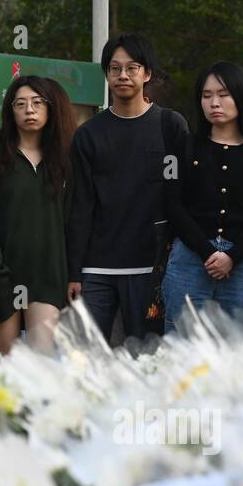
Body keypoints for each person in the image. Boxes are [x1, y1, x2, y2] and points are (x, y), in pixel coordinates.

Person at [66, 35, 188, 342]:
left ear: (147, 74)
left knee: (148, 360)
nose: (122, 75)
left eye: (132, 68)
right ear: (106, 75)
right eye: (114, 68)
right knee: (87, 359)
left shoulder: (170, 126)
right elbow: (80, 205)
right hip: (96, 270)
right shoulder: (88, 135)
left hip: (153, 267)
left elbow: (183, 196)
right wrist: (73, 272)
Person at [0, 76, 75, 353]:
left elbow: (75, 220)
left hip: (49, 278)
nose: (29, 110)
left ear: (52, 108)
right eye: (21, 104)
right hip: (2, 280)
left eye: (38, 103)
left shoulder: (65, 160)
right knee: (5, 371)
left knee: (41, 368)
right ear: (10, 110)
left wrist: (72, 274)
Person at [162, 61, 243, 332]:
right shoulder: (180, 147)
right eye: (206, 95)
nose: (214, 102)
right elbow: (171, 203)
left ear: (241, 97)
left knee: (235, 350)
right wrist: (208, 251)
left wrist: (232, 256)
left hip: (241, 263)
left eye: (223, 94)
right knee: (181, 343)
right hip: (189, 257)